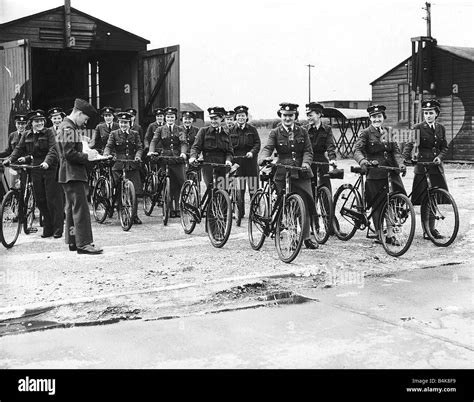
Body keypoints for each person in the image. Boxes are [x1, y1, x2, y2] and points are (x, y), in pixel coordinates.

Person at [259, 103, 318, 249]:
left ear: (295, 116)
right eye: (285, 115)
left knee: (306, 203)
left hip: (301, 171)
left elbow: (308, 151)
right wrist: (264, 158)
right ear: (281, 116)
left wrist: (306, 163)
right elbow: (268, 148)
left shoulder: (302, 131)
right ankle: (292, 237)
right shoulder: (275, 132)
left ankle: (306, 237)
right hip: (282, 172)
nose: (287, 118)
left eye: (290, 115)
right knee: (287, 206)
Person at [3, 110, 64, 239]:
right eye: (37, 121)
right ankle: (48, 226)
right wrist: (10, 159)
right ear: (31, 123)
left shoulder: (49, 132)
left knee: (52, 198)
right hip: (35, 166)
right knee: (40, 199)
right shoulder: (26, 134)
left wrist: (47, 162)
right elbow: (18, 149)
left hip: (50, 166)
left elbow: (53, 149)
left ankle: (58, 228)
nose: (40, 123)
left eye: (41, 121)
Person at [353, 104, 407, 244]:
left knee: (392, 201)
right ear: (370, 118)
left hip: (390, 170)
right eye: (373, 117)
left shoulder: (389, 131)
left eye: (379, 116)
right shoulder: (365, 132)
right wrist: (363, 161)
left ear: (383, 117)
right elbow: (357, 150)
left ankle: (390, 234)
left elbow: (395, 150)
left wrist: (400, 164)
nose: (376, 119)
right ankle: (379, 233)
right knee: (377, 203)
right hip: (375, 171)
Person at [56, 99, 103, 254]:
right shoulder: (68, 127)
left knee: (71, 210)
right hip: (73, 174)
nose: (85, 122)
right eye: (85, 118)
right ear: (79, 113)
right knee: (80, 210)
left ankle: (73, 240)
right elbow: (68, 153)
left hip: (69, 174)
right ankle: (84, 244)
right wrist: (87, 157)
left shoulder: (67, 126)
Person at [402, 99, 449, 239]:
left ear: (436, 114)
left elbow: (444, 147)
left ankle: (432, 228)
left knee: (434, 197)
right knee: (425, 198)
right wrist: (405, 160)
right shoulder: (418, 127)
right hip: (422, 166)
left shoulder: (441, 128)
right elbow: (409, 144)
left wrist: (440, 157)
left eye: (431, 113)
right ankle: (426, 230)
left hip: (436, 167)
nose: (428, 115)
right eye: (426, 113)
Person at [103, 111, 143, 224]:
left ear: (130, 123)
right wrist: (107, 154)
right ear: (119, 123)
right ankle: (117, 207)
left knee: (134, 190)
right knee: (117, 188)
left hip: (131, 164)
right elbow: (109, 146)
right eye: (121, 122)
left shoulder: (135, 134)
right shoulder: (114, 134)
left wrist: (138, 156)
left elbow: (140, 147)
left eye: (125, 123)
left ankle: (134, 215)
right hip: (118, 164)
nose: (123, 125)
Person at [149, 107, 187, 217]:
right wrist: (151, 151)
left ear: (175, 118)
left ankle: (178, 208)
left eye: (172, 117)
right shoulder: (160, 129)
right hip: (164, 158)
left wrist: (183, 153)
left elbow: (183, 142)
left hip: (177, 159)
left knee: (180, 182)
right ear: (165, 118)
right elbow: (154, 141)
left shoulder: (180, 129)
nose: (170, 119)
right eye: (168, 117)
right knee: (167, 183)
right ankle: (169, 209)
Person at [228, 105, 261, 217]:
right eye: (239, 116)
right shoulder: (230, 130)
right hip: (237, 163)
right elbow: (227, 145)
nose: (241, 118)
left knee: (253, 188)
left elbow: (257, 144)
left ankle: (255, 212)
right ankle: (240, 212)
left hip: (250, 162)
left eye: (243, 116)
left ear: (246, 117)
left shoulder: (252, 129)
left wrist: (252, 152)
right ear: (235, 117)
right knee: (239, 189)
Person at [189, 107, 233, 189]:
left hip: (222, 164)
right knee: (211, 190)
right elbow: (196, 147)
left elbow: (229, 151)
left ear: (222, 119)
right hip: (208, 163)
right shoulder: (203, 131)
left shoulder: (226, 133)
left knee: (223, 190)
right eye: (211, 119)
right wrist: (193, 157)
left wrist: (228, 160)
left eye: (215, 119)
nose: (213, 121)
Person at [304, 102, 337, 192]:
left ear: (318, 114)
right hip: (308, 161)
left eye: (310, 115)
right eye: (307, 115)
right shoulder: (304, 129)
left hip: (321, 160)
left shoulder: (327, 129)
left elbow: (330, 145)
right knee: (309, 190)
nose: (308, 118)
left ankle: (327, 205)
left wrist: (332, 159)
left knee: (325, 187)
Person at [0, 114, 28, 199]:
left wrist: (26, 158)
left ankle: (24, 207)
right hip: (14, 166)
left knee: (24, 189)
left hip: (25, 166)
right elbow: (8, 150)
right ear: (15, 124)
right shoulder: (12, 135)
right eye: (18, 123)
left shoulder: (29, 134)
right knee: (14, 188)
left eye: (23, 124)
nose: (20, 126)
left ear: (26, 124)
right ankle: (15, 204)